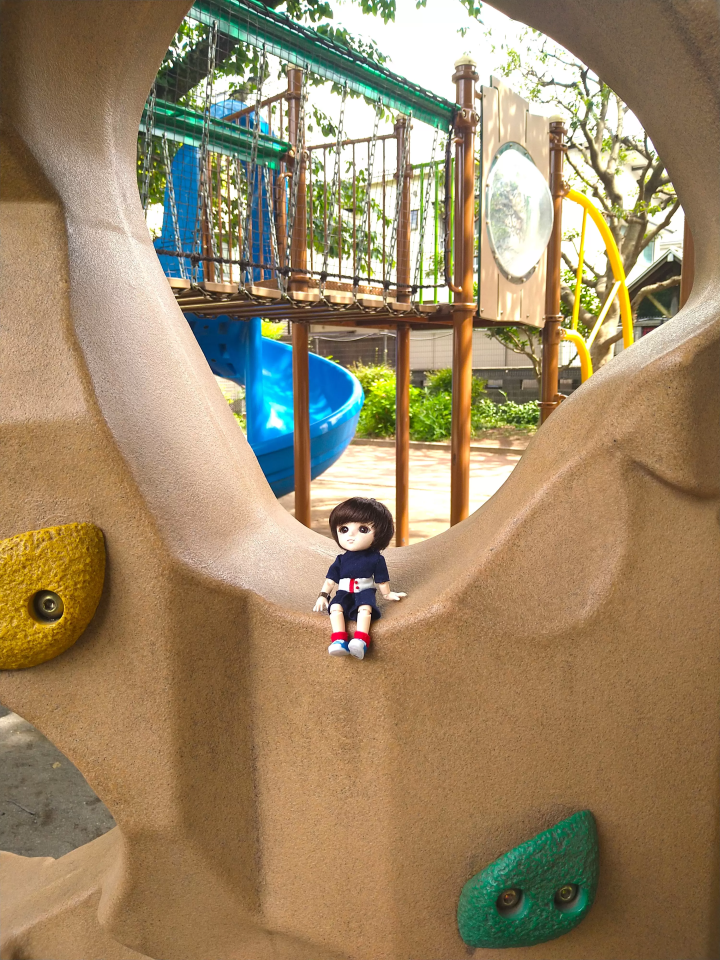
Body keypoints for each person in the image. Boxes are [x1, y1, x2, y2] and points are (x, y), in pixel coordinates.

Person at [313, 497, 406, 660]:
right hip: (343, 592)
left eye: (363, 529)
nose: (351, 535)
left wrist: (387, 594)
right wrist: (323, 596)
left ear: (379, 534)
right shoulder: (341, 559)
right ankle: (339, 640)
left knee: (365, 609)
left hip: (364, 591)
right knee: (335, 609)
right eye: (344, 529)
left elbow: (381, 580)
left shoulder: (376, 559)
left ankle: (361, 640)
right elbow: (330, 580)